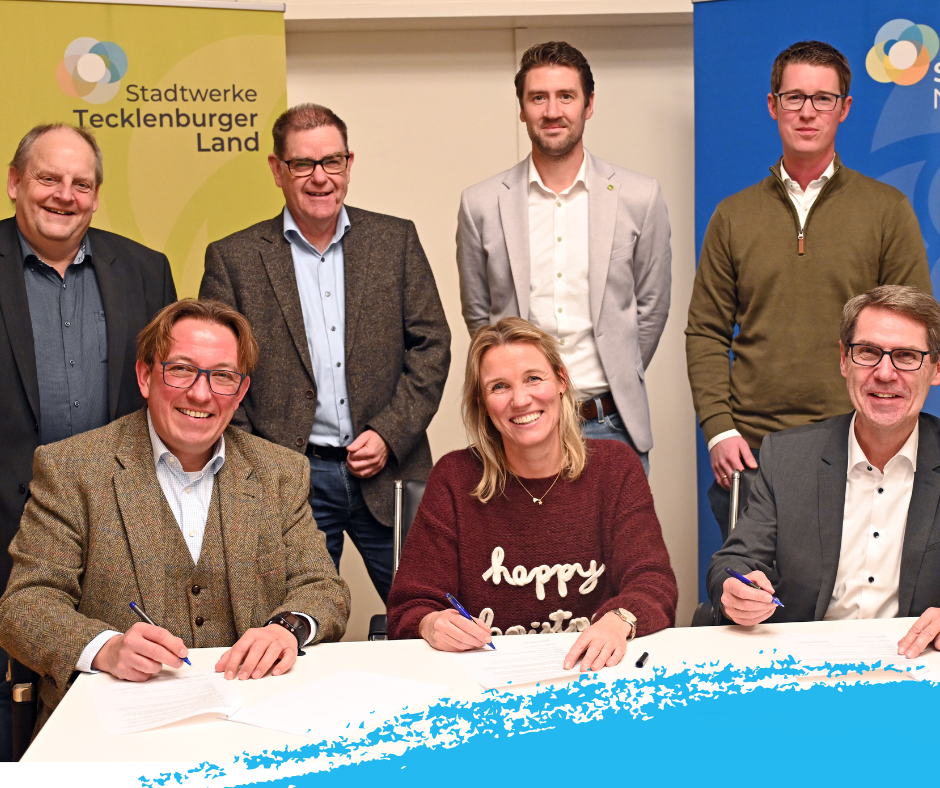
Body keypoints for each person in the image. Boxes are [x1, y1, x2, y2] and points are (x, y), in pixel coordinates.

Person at [0, 299, 350, 734]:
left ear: (240, 391)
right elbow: (25, 605)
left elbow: (322, 587)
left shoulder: (280, 471)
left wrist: (286, 628)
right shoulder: (71, 468)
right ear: (146, 376)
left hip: (251, 720)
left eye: (222, 376)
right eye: (181, 369)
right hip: (112, 726)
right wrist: (105, 648)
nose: (201, 394)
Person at [201, 104, 450, 602]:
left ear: (348, 164)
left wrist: (390, 432)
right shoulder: (235, 259)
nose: (320, 177)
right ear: (277, 169)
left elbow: (432, 345)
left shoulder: (395, 240)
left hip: (390, 470)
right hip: (290, 480)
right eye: (302, 164)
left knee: (429, 612)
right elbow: (220, 373)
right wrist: (266, 464)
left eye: (332, 161)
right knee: (299, 622)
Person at [686, 40, 931, 532]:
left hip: (859, 448)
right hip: (753, 452)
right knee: (752, 582)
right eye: (794, 97)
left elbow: (915, 333)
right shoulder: (733, 215)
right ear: (773, 105)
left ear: (845, 108)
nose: (807, 111)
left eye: (823, 98)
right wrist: (718, 430)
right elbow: (706, 332)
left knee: (858, 581)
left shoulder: (887, 210)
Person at [0, 123, 176, 760]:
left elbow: (169, 394)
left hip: (116, 533)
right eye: (48, 178)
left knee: (116, 697)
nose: (64, 195)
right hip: (4, 521)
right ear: (16, 182)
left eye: (81, 183)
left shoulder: (146, 270)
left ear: (97, 196)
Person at [387, 317, 677, 671]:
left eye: (533, 378)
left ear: (561, 381)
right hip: (483, 679)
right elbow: (409, 606)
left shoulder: (616, 468)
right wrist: (431, 623)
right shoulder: (454, 477)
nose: (521, 400)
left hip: (593, 673)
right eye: (499, 387)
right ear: (482, 402)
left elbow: (653, 581)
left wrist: (620, 619)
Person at [456, 41, 672, 474]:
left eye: (566, 96)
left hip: (611, 423)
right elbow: (480, 316)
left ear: (588, 105)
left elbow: (652, 307)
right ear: (522, 109)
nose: (552, 111)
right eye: (538, 97)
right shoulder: (481, 204)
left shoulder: (639, 196)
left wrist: (619, 373)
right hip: (521, 423)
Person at [707, 286, 940, 659]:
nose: (885, 373)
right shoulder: (788, 458)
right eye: (868, 352)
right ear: (845, 360)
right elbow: (733, 562)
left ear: (936, 369)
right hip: (803, 665)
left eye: (906, 356)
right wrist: (735, 590)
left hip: (918, 664)